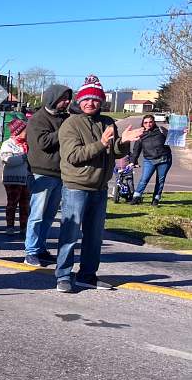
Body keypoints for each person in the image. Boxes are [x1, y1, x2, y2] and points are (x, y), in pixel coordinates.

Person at [53, 76, 143, 292]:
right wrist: (101, 143)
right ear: (79, 101)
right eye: (85, 99)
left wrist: (123, 142)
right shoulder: (71, 124)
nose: (89, 103)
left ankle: (87, 275)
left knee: (94, 237)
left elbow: (115, 152)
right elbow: (73, 156)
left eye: (94, 99)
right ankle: (63, 275)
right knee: (70, 233)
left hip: (100, 188)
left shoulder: (108, 122)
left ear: (101, 101)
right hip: (76, 187)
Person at [23, 84, 72, 267]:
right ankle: (31, 251)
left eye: (68, 98)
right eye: (63, 98)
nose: (66, 102)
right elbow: (44, 143)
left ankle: (41, 248)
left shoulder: (65, 118)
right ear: (53, 98)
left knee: (49, 215)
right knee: (36, 215)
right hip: (40, 174)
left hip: (60, 173)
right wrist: (64, 131)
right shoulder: (38, 119)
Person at [130, 114, 172, 206]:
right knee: (144, 179)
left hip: (164, 159)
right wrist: (133, 161)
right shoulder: (141, 135)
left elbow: (173, 138)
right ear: (143, 124)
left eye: (150, 122)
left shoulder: (161, 131)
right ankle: (136, 197)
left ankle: (156, 199)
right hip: (149, 160)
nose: (148, 124)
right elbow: (136, 149)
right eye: (145, 122)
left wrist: (182, 132)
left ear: (154, 122)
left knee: (160, 180)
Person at [0, 118, 31, 236]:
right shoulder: (8, 144)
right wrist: (24, 157)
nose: (28, 132)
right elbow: (8, 160)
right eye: (25, 130)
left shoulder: (27, 144)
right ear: (18, 131)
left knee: (25, 205)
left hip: (26, 179)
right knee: (12, 203)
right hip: (13, 179)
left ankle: (24, 227)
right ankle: (10, 226)